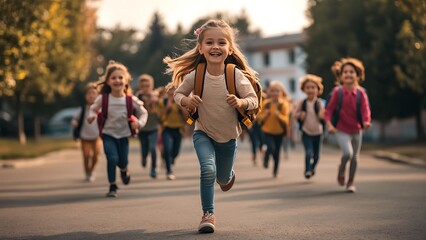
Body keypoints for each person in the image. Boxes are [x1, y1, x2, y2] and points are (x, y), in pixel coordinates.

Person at [163, 19, 258, 233]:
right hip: (203, 132)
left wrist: (241, 102)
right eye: (209, 42)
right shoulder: (196, 75)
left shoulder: (235, 74)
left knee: (222, 179)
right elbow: (178, 93)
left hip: (229, 137)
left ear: (230, 48)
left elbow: (254, 100)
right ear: (200, 48)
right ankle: (208, 214)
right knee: (207, 169)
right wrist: (187, 101)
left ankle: (228, 175)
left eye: (222, 42)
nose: (215, 47)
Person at [87, 61, 148, 198]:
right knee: (112, 158)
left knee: (122, 161)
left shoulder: (130, 99)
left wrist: (139, 123)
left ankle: (124, 169)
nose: (117, 80)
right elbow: (93, 109)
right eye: (113, 78)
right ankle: (112, 185)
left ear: (126, 81)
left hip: (124, 135)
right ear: (108, 81)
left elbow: (144, 113)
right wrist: (91, 116)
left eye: (120, 77)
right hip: (108, 134)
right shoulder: (103, 98)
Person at [325, 57, 371, 193]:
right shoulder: (337, 92)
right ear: (341, 76)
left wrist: (366, 121)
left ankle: (350, 182)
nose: (348, 74)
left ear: (357, 75)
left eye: (352, 72)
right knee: (347, 154)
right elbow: (329, 110)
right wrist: (329, 124)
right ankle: (341, 171)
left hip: (356, 129)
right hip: (341, 129)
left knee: (355, 158)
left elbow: (365, 108)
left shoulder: (361, 93)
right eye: (345, 72)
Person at [258, 81, 290, 178]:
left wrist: (279, 116)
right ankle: (266, 159)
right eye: (273, 91)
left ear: (281, 92)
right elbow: (259, 119)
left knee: (277, 153)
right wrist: (265, 115)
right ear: (270, 92)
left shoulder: (283, 104)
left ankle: (275, 171)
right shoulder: (266, 104)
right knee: (271, 148)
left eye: (277, 91)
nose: (275, 93)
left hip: (279, 132)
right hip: (267, 131)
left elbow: (286, 120)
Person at [295, 74, 325, 179]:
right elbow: (296, 114)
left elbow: (324, 116)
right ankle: (307, 170)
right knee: (308, 152)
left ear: (318, 89)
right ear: (304, 89)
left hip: (318, 132)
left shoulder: (320, 103)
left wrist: (322, 115)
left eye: (313, 87)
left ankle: (312, 168)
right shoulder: (302, 103)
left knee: (316, 156)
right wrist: (300, 115)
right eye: (308, 88)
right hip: (306, 131)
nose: (310, 90)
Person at [71, 82, 102, 182]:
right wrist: (74, 122)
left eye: (93, 93)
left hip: (97, 136)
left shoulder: (100, 109)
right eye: (89, 93)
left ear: (98, 96)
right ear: (85, 96)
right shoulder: (83, 109)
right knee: (86, 155)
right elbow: (75, 119)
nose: (91, 95)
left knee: (96, 155)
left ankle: (92, 170)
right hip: (85, 136)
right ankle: (87, 172)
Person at [157, 86, 186, 180]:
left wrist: (181, 109)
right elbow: (160, 118)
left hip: (178, 129)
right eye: (170, 91)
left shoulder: (182, 102)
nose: (172, 93)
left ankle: (170, 159)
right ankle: (169, 171)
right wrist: (167, 108)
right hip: (167, 129)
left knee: (175, 152)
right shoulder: (163, 102)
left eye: (174, 90)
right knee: (168, 148)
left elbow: (189, 120)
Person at [135, 74, 161, 178]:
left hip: (154, 127)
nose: (145, 88)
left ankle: (154, 168)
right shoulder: (137, 97)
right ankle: (144, 157)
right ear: (140, 87)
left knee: (153, 147)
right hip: (142, 128)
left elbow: (159, 111)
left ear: (151, 85)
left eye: (147, 86)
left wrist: (154, 103)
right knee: (144, 148)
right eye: (143, 86)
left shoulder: (155, 97)